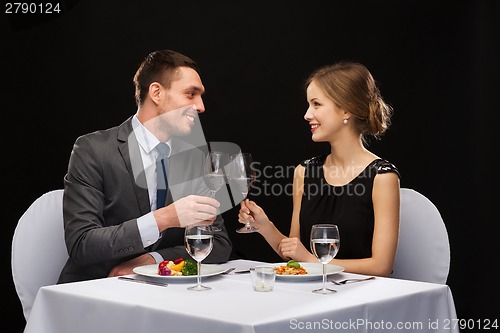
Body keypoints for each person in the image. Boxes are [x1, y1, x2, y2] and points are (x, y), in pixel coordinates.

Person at [58, 50, 232, 283]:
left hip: (166, 294)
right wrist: (164, 219)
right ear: (157, 93)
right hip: (97, 289)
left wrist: (154, 259)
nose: (201, 106)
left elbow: (218, 244)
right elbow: (82, 244)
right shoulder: (93, 150)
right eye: (191, 94)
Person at [239, 62, 400, 277]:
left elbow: (380, 266)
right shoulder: (304, 172)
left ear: (346, 109)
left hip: (361, 297)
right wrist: (264, 226)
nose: (307, 114)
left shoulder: (382, 176)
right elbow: (294, 255)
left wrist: (312, 261)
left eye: (316, 104)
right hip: (313, 293)